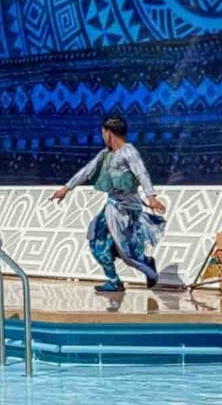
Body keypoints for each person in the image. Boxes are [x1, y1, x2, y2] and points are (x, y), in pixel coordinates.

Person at [51, 115, 167, 292]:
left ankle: (148, 269)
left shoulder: (128, 151)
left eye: (103, 133)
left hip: (126, 210)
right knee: (97, 240)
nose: (102, 137)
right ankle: (114, 280)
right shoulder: (105, 154)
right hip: (112, 206)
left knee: (126, 252)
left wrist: (151, 196)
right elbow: (87, 171)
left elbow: (141, 173)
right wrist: (66, 188)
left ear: (109, 133)